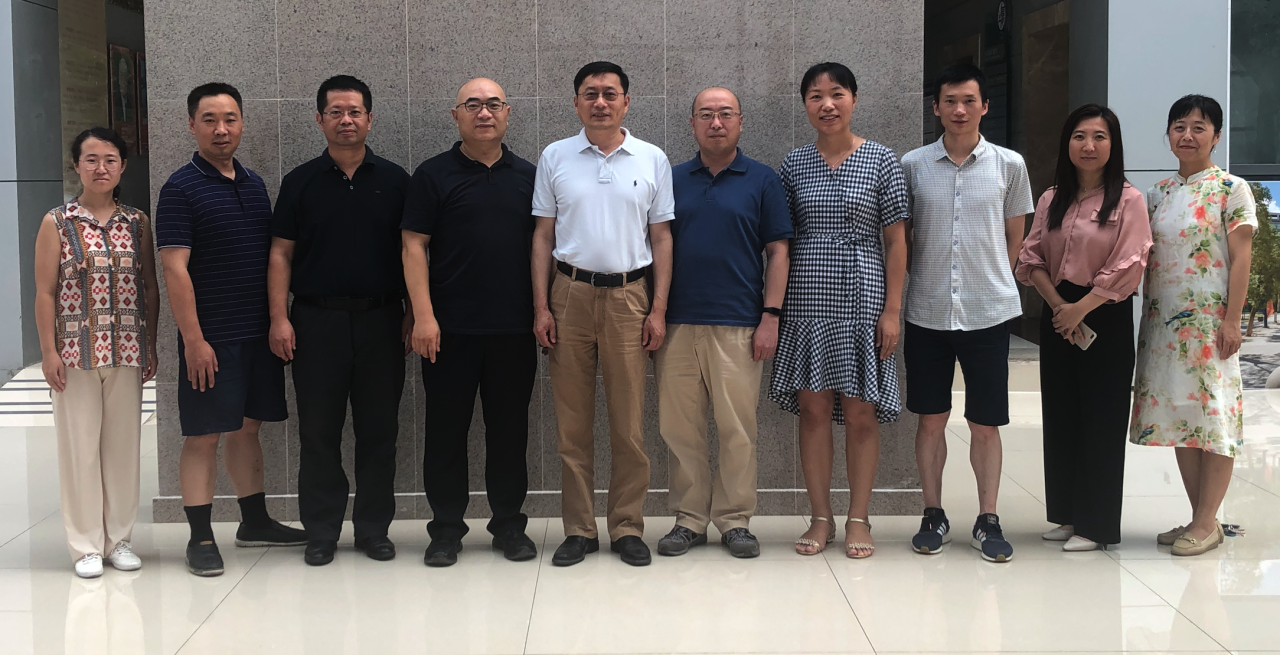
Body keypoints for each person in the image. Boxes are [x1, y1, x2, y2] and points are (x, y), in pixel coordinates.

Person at [156, 82, 308, 578]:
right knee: (203, 434)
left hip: (257, 332)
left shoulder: (254, 183)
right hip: (211, 338)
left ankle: (255, 522)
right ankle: (200, 537)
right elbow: (174, 268)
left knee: (248, 427)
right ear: (191, 125)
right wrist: (194, 340)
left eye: (230, 119)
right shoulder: (180, 188)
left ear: (242, 122)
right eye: (209, 120)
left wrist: (276, 319)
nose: (221, 129)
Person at [532, 61, 674, 567]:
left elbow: (662, 237)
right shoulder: (555, 156)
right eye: (590, 94)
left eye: (610, 94)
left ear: (626, 102)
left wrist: (658, 308)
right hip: (568, 294)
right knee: (572, 423)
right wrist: (541, 306)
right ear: (576, 103)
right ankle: (579, 529)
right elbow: (543, 236)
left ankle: (627, 526)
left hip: (629, 298)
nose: (600, 102)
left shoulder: (652, 159)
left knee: (628, 423)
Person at [268, 75, 412, 566]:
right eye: (336, 112)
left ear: (370, 118)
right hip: (315, 323)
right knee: (318, 432)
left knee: (380, 431)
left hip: (382, 321)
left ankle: (373, 530)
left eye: (354, 112)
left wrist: (414, 313)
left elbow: (412, 253)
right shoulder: (300, 182)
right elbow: (280, 254)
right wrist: (279, 318)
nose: (346, 120)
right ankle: (322, 531)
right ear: (320, 119)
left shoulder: (396, 181)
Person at [768, 63, 909, 560]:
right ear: (805, 104)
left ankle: (859, 516)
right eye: (815, 96)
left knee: (860, 410)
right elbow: (781, 242)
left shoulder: (882, 160)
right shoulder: (794, 164)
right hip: (806, 297)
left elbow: (896, 241)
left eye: (836, 94)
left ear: (854, 99)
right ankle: (821, 515)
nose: (826, 104)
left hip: (864, 298)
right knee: (812, 410)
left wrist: (892, 311)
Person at [402, 78, 539, 567]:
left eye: (493, 104)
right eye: (473, 105)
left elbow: (542, 248)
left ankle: (509, 526)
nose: (484, 113)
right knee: (445, 434)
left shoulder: (529, 176)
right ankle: (445, 531)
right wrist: (423, 316)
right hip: (448, 331)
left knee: (510, 433)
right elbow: (413, 245)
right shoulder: (432, 174)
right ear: (456, 114)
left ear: (508, 112)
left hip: (513, 330)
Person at [901, 63, 1033, 563]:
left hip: (987, 311)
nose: (959, 110)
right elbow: (904, 237)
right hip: (927, 311)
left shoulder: (1009, 165)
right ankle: (933, 513)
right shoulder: (913, 165)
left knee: (985, 422)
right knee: (930, 419)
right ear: (936, 107)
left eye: (969, 101)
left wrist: (993, 277)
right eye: (950, 101)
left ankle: (988, 517)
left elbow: (1015, 235)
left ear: (985, 107)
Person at [654, 87, 792, 559]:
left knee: (737, 428)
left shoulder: (762, 180)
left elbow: (778, 252)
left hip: (739, 322)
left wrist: (770, 316)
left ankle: (735, 520)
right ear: (692, 123)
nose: (716, 122)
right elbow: (655, 245)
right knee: (680, 428)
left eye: (725, 114)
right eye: (706, 114)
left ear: (740, 121)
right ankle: (689, 519)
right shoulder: (670, 178)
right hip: (676, 323)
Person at [1016, 104, 1151, 551]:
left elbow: (1130, 263)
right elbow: (1031, 257)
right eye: (1079, 136)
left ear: (1113, 145)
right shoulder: (1051, 198)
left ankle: (1096, 525)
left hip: (1105, 316)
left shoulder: (1129, 200)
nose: (1088, 146)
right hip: (1058, 313)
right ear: (1067, 144)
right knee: (1062, 415)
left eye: (1099, 137)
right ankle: (1069, 514)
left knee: (1101, 419)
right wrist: (1060, 306)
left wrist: (1082, 309)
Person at [1130, 94, 1256, 557]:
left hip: (1209, 326)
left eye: (1199, 127)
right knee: (1182, 419)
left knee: (1214, 419)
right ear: (1168, 135)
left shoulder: (1231, 189)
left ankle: (1206, 523)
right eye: (1179, 127)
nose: (1188, 135)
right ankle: (1198, 517)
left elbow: (1241, 257)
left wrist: (1232, 319)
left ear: (1216, 136)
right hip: (1164, 326)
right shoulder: (1157, 194)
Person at [34, 127, 159, 578]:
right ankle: (85, 544)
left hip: (126, 348)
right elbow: (45, 292)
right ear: (76, 165)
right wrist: (48, 352)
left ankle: (119, 540)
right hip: (74, 352)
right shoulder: (56, 222)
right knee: (80, 449)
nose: (100, 167)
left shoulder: (137, 223)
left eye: (109, 159)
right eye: (91, 159)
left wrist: (149, 342)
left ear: (122, 166)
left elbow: (149, 286)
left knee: (123, 448)